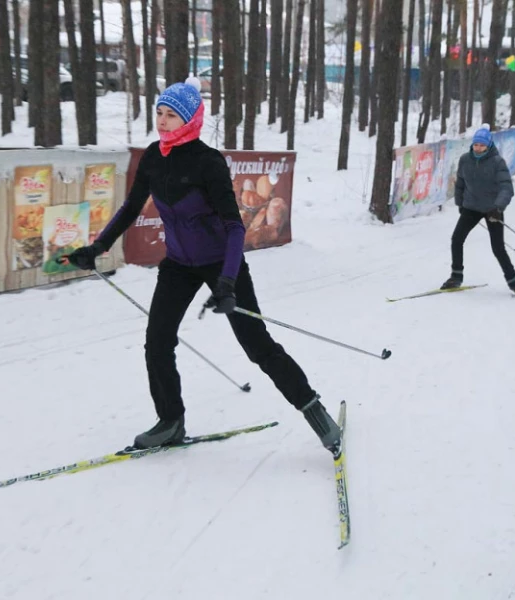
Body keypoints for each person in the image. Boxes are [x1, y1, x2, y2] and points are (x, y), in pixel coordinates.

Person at [61, 77, 341, 453]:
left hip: (220, 263)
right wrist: (98, 248)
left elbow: (233, 226)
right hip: (178, 264)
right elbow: (131, 208)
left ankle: (315, 411)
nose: (162, 121)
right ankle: (170, 421)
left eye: (171, 115)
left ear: (190, 119)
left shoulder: (208, 163)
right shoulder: (152, 158)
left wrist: (226, 282)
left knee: (257, 346)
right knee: (157, 342)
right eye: (159, 112)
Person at [440, 128, 515, 298]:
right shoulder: (465, 160)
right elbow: (460, 183)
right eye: (476, 144)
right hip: (471, 207)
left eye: (482, 145)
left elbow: (506, 188)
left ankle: (514, 283)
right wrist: (460, 203)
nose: (478, 148)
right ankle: (455, 277)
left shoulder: (497, 162)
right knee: (456, 239)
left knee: (498, 248)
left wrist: (498, 207)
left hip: (492, 210)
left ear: (488, 145)